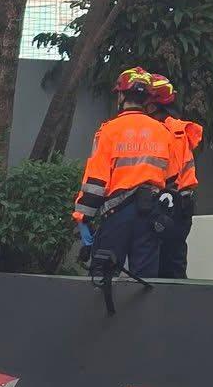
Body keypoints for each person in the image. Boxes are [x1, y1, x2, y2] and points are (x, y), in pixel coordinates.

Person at [74, 67, 178, 282]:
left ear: (121, 96)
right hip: (151, 214)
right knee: (145, 283)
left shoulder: (108, 131)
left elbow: (96, 180)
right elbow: (172, 179)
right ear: (147, 98)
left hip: (116, 214)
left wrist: (83, 218)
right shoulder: (163, 132)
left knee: (102, 280)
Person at [148, 75, 203, 282]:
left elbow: (163, 174)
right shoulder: (177, 128)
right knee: (174, 262)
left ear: (152, 107)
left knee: (161, 267)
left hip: (168, 203)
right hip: (181, 204)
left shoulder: (163, 132)